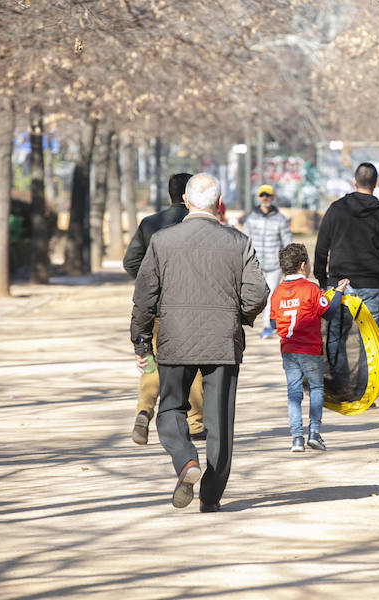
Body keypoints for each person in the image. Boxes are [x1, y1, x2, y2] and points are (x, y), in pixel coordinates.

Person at [130, 172, 268, 512]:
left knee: (171, 409)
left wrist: (142, 340)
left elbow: (145, 295)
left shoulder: (162, 241)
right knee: (220, 421)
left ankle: (186, 460)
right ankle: (211, 496)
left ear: (187, 202)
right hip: (223, 341)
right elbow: (258, 292)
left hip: (175, 338)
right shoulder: (239, 242)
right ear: (220, 205)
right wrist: (239, 318)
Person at [123, 173, 205, 444]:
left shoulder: (149, 224)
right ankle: (194, 423)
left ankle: (144, 410)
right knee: (192, 364)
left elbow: (130, 262)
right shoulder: (199, 224)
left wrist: (150, 282)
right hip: (189, 307)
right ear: (189, 194)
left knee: (151, 363)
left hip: (155, 307)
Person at [269, 243, 348, 453]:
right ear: (303, 265)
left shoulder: (277, 293)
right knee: (315, 389)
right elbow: (328, 313)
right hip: (311, 350)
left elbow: (273, 324)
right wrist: (338, 293)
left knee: (293, 394)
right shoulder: (311, 289)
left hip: (288, 351)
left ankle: (296, 438)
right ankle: (314, 433)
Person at [314, 162, 379, 329]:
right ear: (376, 184)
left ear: (354, 182)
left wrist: (322, 280)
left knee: (336, 340)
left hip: (338, 285)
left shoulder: (335, 210)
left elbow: (321, 248)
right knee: (370, 342)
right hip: (372, 285)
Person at [241, 184, 292, 339]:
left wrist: (287, 265)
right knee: (257, 295)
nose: (265, 198)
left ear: (272, 197)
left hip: (275, 265)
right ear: (258, 198)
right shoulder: (250, 219)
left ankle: (267, 326)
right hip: (255, 266)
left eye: (268, 195)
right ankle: (259, 321)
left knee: (271, 296)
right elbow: (245, 241)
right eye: (262, 195)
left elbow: (287, 243)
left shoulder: (280, 219)